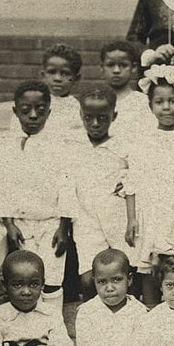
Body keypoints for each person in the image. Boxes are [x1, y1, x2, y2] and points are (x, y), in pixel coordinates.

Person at [122, 63, 174, 307]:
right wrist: (131, 219)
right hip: (152, 211)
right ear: (151, 106)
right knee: (151, 266)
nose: (166, 107)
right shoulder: (143, 141)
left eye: (172, 101)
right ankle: (151, 311)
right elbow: (132, 183)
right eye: (159, 102)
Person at [0, 81, 73, 315]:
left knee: (52, 275)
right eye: (26, 110)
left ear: (49, 111)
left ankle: (53, 325)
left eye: (40, 109)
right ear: (16, 111)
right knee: (26, 275)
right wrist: (9, 224)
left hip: (51, 223)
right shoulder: (7, 147)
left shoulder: (58, 147)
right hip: (22, 224)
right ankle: (31, 326)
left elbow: (67, 185)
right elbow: (0, 186)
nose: (33, 115)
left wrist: (64, 227)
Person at [70, 86, 135, 301]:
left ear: (114, 116)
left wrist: (125, 181)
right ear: (81, 115)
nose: (95, 124)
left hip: (117, 215)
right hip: (86, 218)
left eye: (103, 118)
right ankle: (94, 318)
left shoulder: (124, 145)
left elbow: (137, 176)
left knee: (123, 270)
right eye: (89, 118)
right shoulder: (74, 145)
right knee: (88, 277)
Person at [99, 39, 152, 142]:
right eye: (110, 65)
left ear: (134, 68)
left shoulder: (143, 102)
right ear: (102, 68)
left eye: (123, 65)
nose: (116, 70)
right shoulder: (94, 100)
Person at [35, 43, 85, 137]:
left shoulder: (77, 109)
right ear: (43, 75)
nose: (57, 78)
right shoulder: (33, 102)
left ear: (76, 78)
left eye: (65, 73)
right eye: (52, 72)